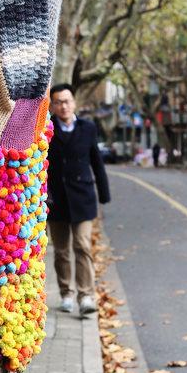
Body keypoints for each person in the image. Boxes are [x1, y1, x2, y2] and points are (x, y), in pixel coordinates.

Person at [46, 84, 111, 316]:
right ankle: (66, 294)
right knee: (62, 251)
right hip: (55, 200)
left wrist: (104, 193)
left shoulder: (88, 128)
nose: (63, 105)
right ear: (52, 105)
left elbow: (97, 162)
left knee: (82, 246)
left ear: (74, 102)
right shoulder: (46, 129)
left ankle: (86, 296)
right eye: (58, 102)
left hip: (83, 197)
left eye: (67, 101)